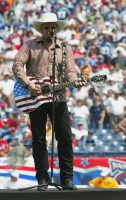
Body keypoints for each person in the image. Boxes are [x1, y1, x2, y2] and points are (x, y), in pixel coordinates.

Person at [12, 13, 86, 191]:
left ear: (56, 29)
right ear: (41, 29)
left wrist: (75, 81)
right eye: (46, 27)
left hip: (58, 97)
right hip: (35, 97)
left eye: (53, 27)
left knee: (65, 137)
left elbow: (70, 72)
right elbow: (17, 65)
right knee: (38, 139)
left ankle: (67, 178)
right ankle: (42, 179)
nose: (50, 30)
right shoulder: (30, 45)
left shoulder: (65, 49)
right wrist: (29, 85)